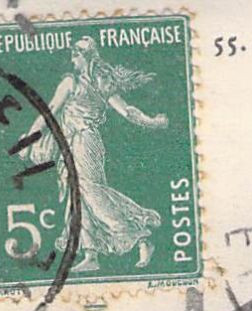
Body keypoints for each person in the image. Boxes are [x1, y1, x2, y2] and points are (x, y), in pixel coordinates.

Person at [20, 37, 169, 273]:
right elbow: (48, 116)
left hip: (86, 143)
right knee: (75, 198)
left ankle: (140, 237)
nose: (72, 58)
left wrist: (152, 122)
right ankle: (91, 255)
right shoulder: (71, 83)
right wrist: (28, 140)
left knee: (91, 193)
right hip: (66, 145)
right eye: (72, 53)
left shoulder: (100, 84)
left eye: (76, 53)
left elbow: (127, 111)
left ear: (87, 55)